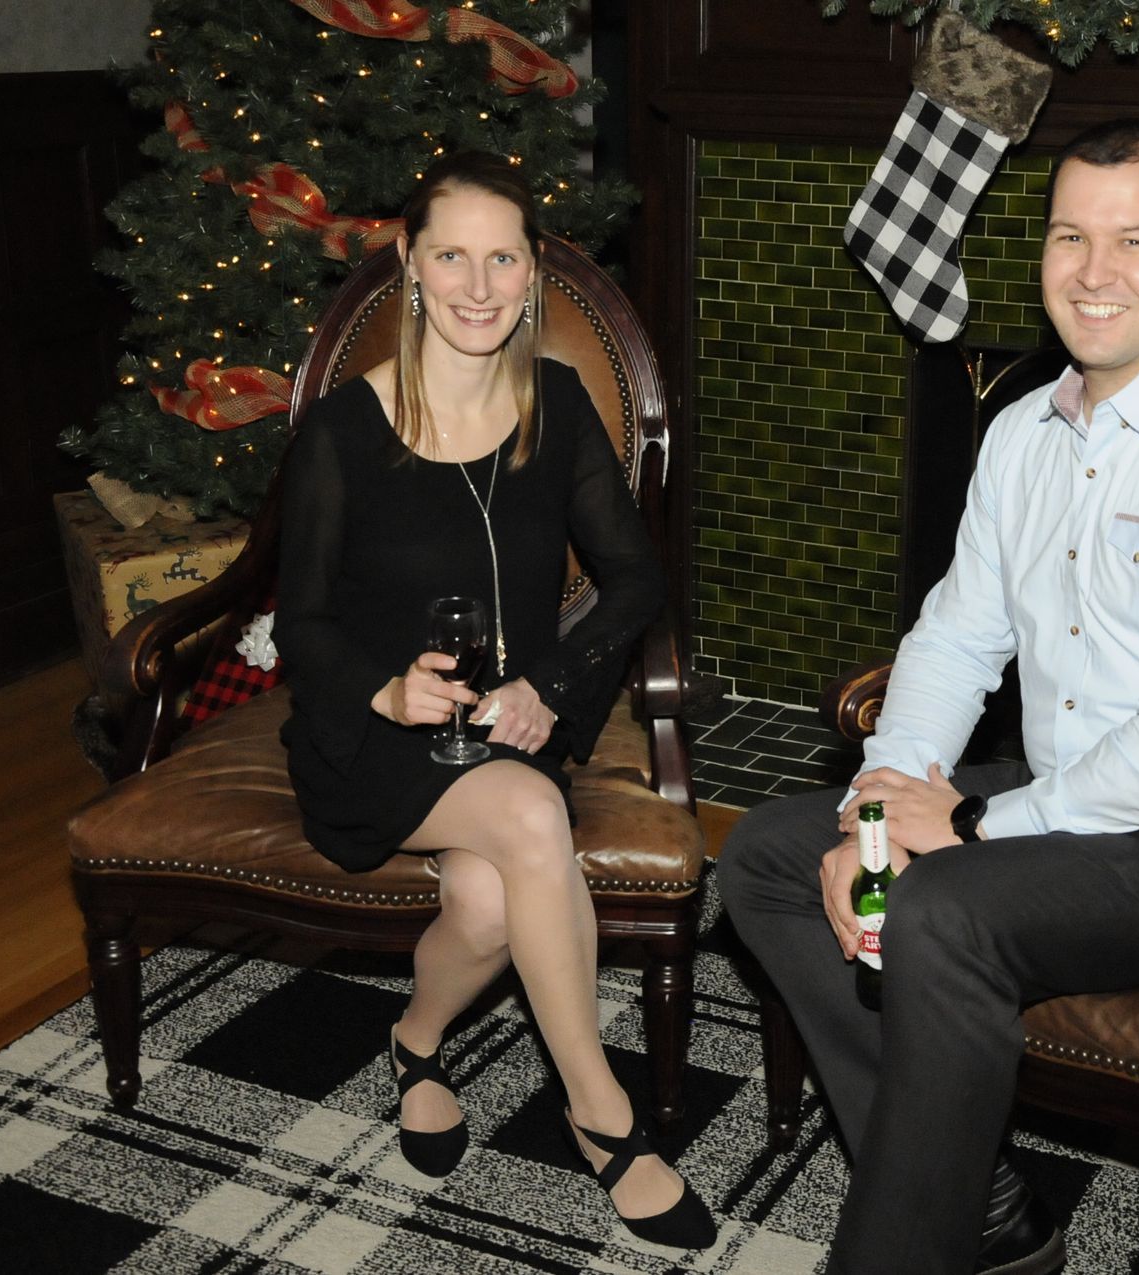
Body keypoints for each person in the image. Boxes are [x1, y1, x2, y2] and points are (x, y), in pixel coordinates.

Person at [718, 118, 1139, 1275]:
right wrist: (881, 803)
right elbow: (958, 637)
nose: (1093, 272)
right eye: (1070, 236)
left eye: (1132, 240)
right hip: (1076, 786)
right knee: (770, 851)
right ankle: (976, 1210)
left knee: (942, 908)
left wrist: (964, 825)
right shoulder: (1021, 433)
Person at [275, 150, 716, 1250]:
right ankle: (602, 1117)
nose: (479, 286)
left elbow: (637, 582)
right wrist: (385, 691)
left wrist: (551, 688)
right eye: (453, 257)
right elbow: (301, 625)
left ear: (534, 276)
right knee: (529, 820)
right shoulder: (341, 434)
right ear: (410, 267)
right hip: (373, 741)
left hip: (509, 723)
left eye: (503, 259)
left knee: (483, 905)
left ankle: (416, 1044)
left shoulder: (555, 405)